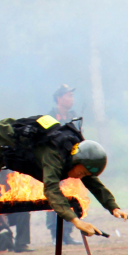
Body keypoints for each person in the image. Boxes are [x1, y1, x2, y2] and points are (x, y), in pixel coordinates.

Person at [0, 115, 128, 236]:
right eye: (80, 172)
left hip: (1, 158)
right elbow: (51, 189)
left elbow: (94, 183)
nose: (78, 176)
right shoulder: (55, 155)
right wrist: (75, 221)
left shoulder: (74, 156)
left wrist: (113, 207)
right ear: (75, 160)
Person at [46, 84, 81, 245]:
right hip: (54, 164)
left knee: (70, 198)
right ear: (59, 99)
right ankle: (56, 234)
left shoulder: (74, 117)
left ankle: (67, 233)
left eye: (72, 96)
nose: (71, 99)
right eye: (68, 96)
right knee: (55, 198)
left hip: (70, 164)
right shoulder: (49, 117)